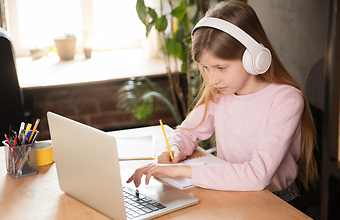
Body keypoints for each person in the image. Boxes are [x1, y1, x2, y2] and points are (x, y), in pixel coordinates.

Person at [127, 0, 319, 202]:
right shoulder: (220, 94)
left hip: (274, 199)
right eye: (206, 68)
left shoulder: (286, 100)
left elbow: (257, 176)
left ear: (253, 58)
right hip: (229, 189)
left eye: (220, 67)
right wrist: (174, 149)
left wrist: (181, 170)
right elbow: (187, 131)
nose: (212, 79)